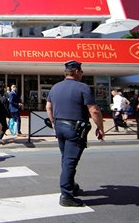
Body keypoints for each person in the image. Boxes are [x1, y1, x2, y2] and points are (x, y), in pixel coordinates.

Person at [46, 60, 104, 207]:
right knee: (70, 161)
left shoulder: (55, 87)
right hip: (74, 129)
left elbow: (48, 107)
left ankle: (70, 185)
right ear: (77, 72)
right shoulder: (83, 87)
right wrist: (100, 127)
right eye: (81, 71)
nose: (82, 74)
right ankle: (66, 195)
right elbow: (94, 110)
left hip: (59, 126)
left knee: (66, 158)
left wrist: (53, 122)